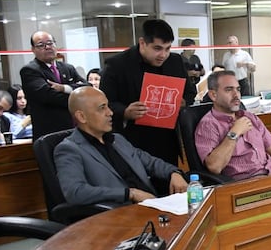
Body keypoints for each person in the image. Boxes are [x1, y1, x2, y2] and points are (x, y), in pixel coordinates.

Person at [53, 87, 188, 206]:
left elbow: (150, 162)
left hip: (151, 205)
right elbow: (75, 192)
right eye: (102, 108)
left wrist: (173, 173)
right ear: (81, 117)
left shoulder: (117, 139)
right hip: (117, 216)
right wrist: (129, 193)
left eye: (108, 106)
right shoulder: (69, 149)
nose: (110, 113)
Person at [100, 19, 195, 167]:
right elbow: (105, 102)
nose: (163, 55)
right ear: (142, 43)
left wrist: (183, 102)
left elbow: (190, 92)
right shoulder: (117, 65)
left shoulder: (175, 61)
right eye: (157, 48)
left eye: (167, 48)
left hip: (167, 138)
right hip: (131, 139)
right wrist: (125, 111)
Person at [195, 71, 271, 180]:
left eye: (238, 89)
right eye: (229, 90)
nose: (236, 95)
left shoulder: (249, 117)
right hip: (243, 188)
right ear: (213, 95)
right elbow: (214, 167)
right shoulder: (208, 124)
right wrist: (234, 133)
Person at [20, 31, 87, 140]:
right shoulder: (30, 70)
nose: (47, 47)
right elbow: (49, 96)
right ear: (33, 49)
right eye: (41, 45)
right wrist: (78, 98)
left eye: (50, 43)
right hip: (50, 134)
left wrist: (64, 88)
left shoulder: (68, 68)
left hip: (75, 130)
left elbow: (86, 87)